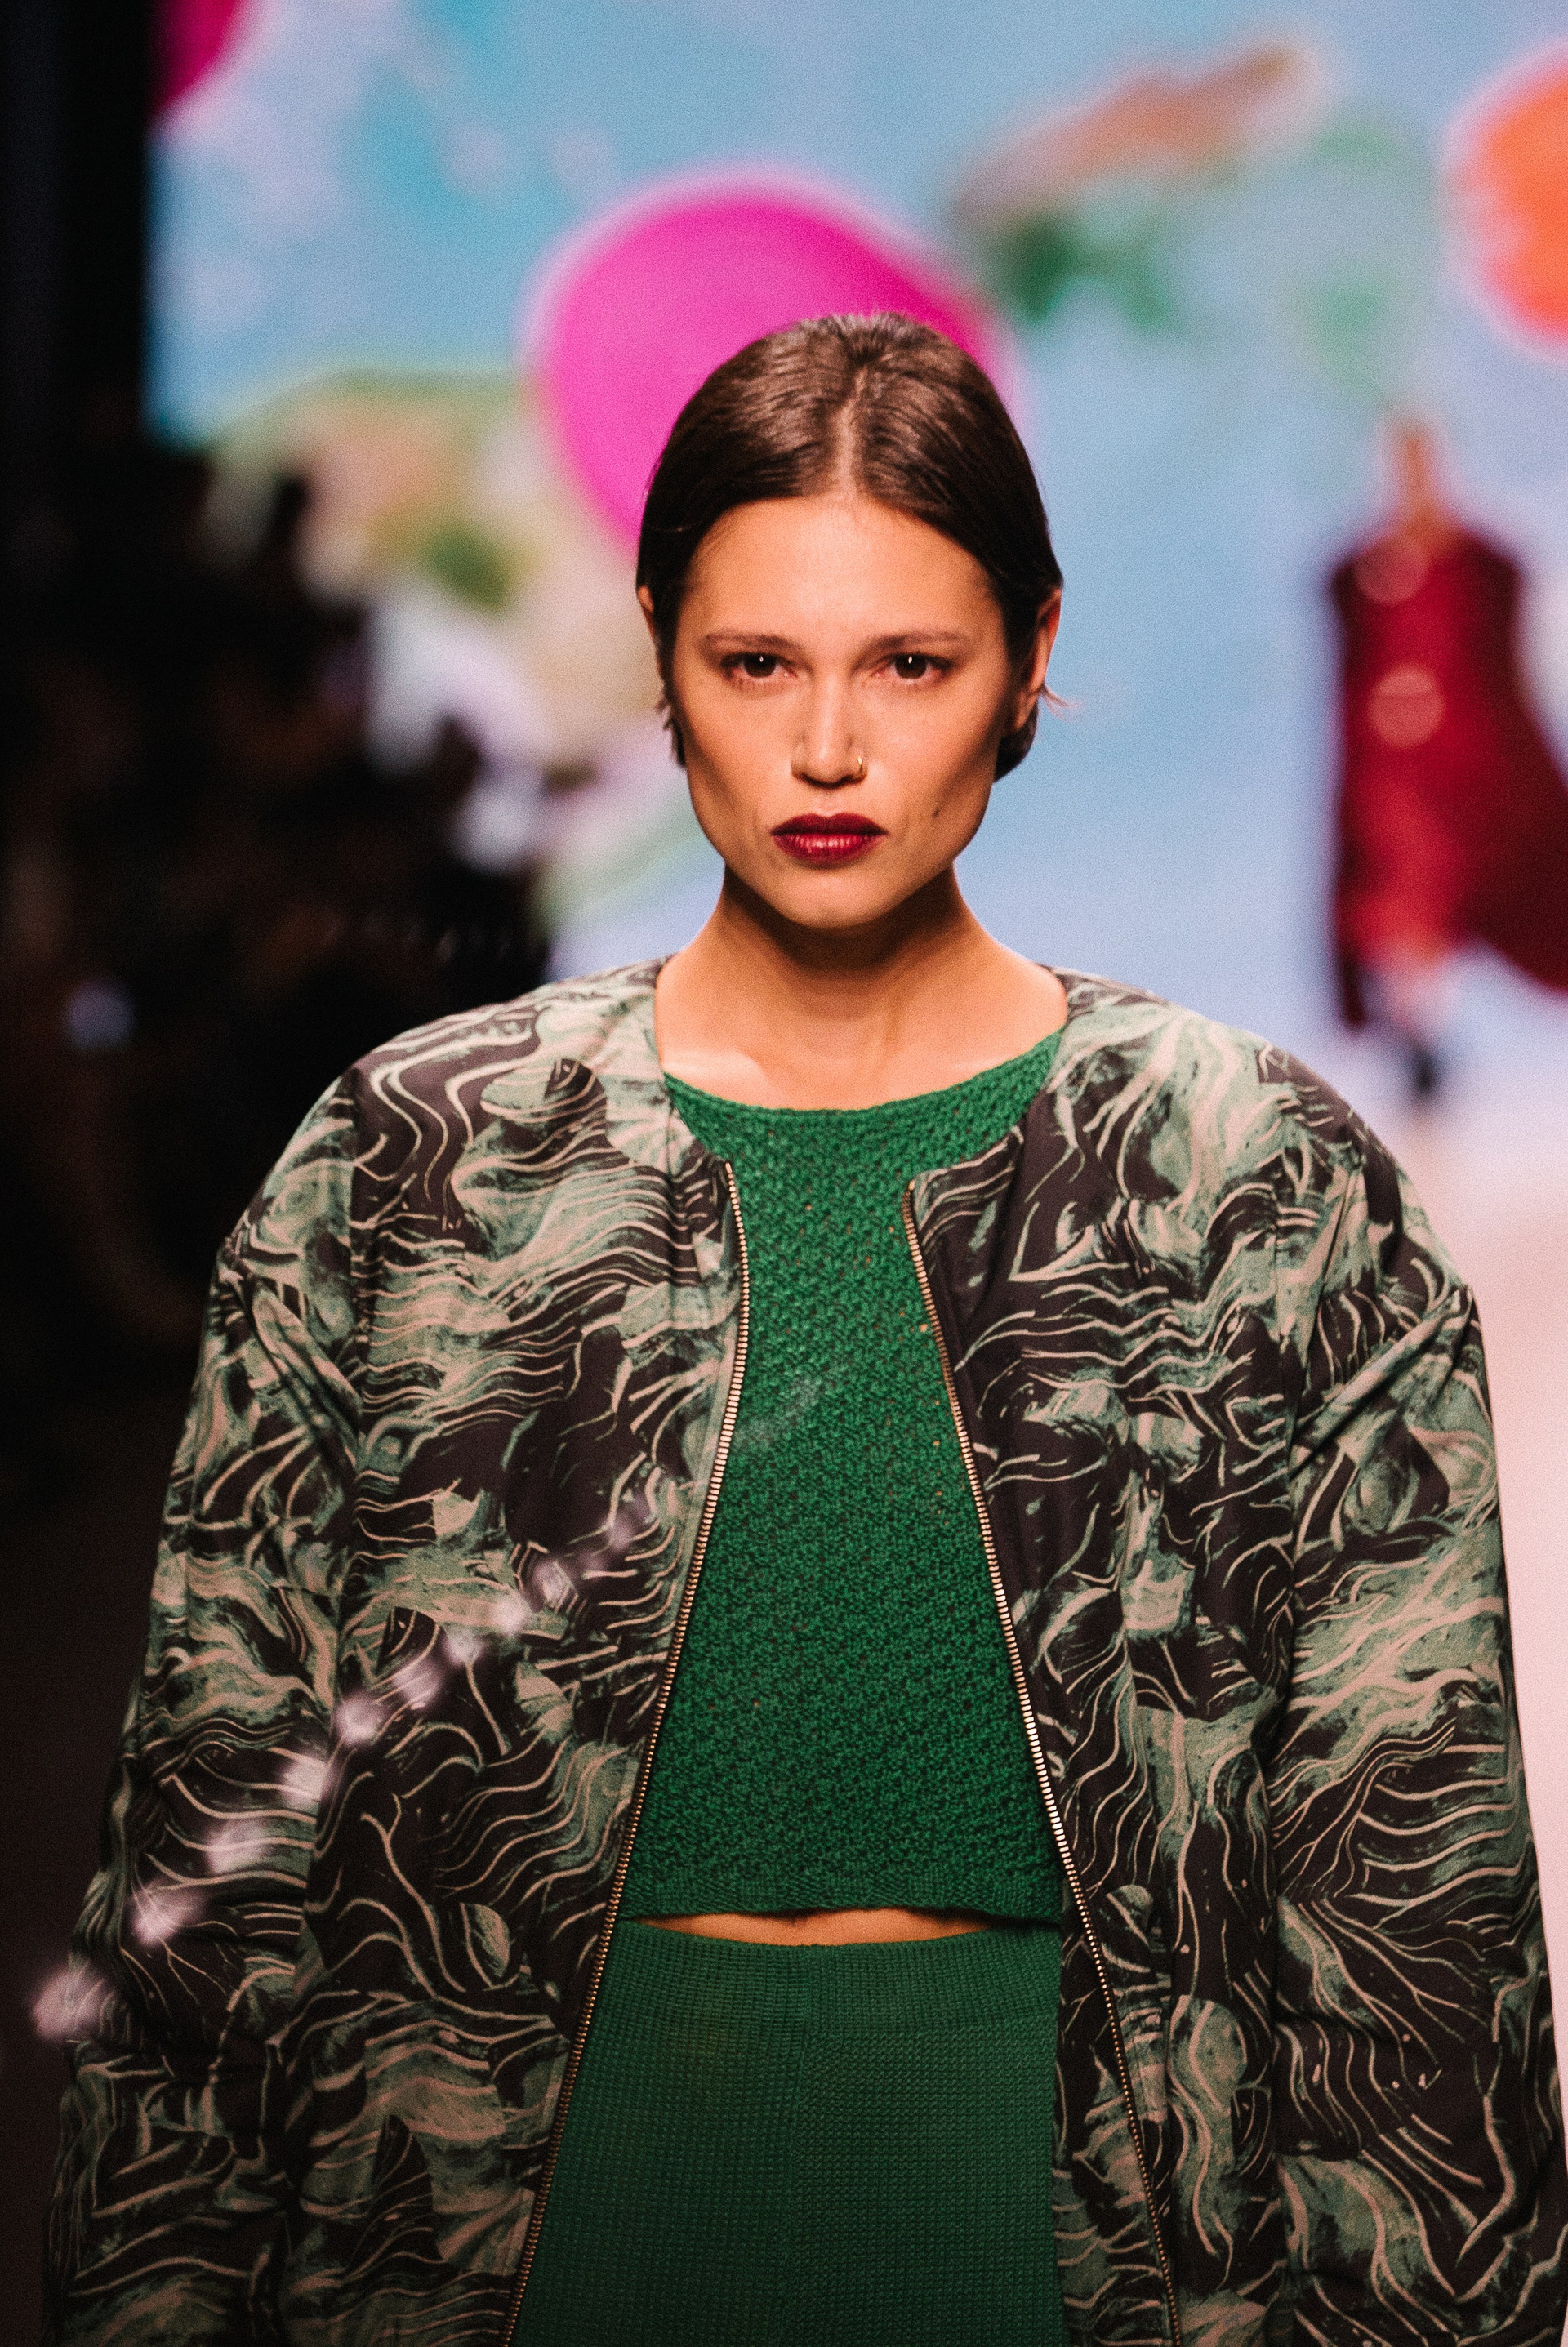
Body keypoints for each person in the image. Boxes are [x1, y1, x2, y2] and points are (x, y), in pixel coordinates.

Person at [46, 316, 1565, 2345]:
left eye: (908, 665)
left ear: (1029, 661)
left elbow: (1418, 1933)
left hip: (1082, 2255)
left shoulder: (1253, 1183)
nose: (828, 749)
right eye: (758, 663)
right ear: (661, 655)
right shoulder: (412, 1165)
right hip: (488, 2240)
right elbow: (205, 1885)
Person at [1330, 418, 1568, 1098]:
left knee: (1503, 889)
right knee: (1404, 909)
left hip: (1471, 772)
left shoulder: (1480, 565)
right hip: (1400, 781)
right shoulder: (1366, 570)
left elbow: (1496, 669)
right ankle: (1417, 1045)